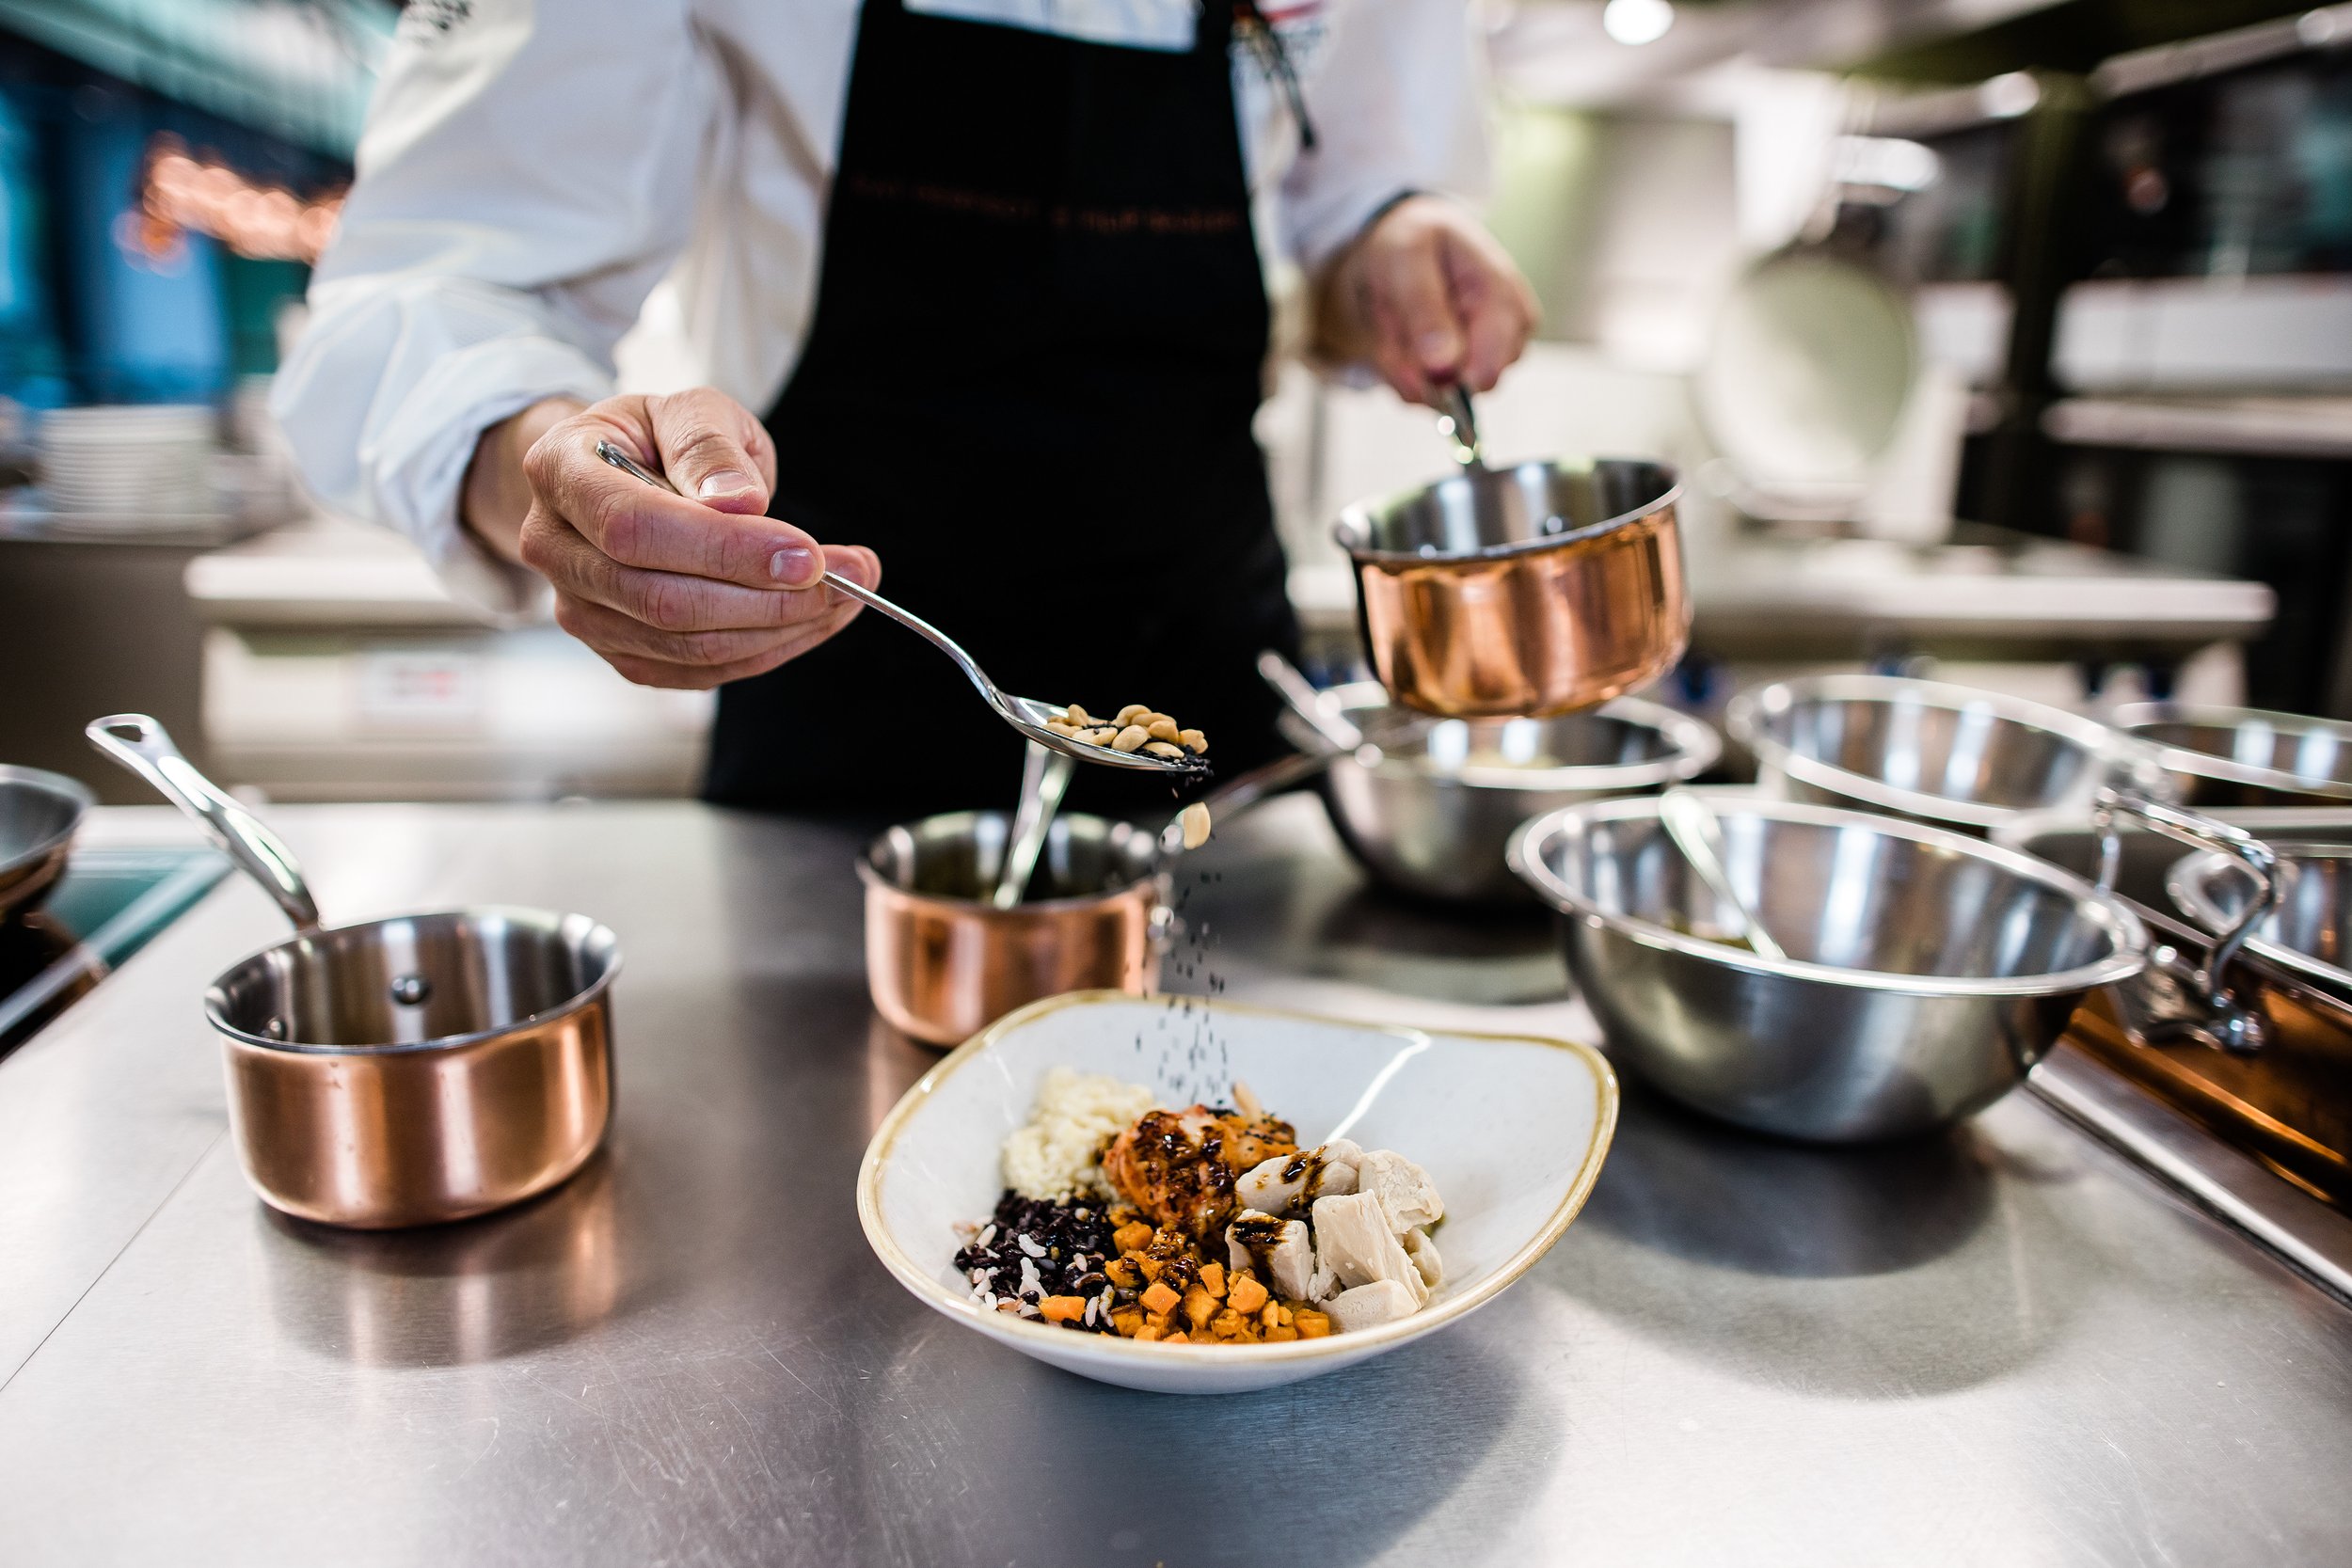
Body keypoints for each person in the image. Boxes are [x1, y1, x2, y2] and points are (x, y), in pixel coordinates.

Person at [276, 0, 1536, 820]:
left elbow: (1354, 182)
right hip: (829, 682)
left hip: (1211, 713)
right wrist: (541, 459)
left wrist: (1393, 242)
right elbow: (431, 283)